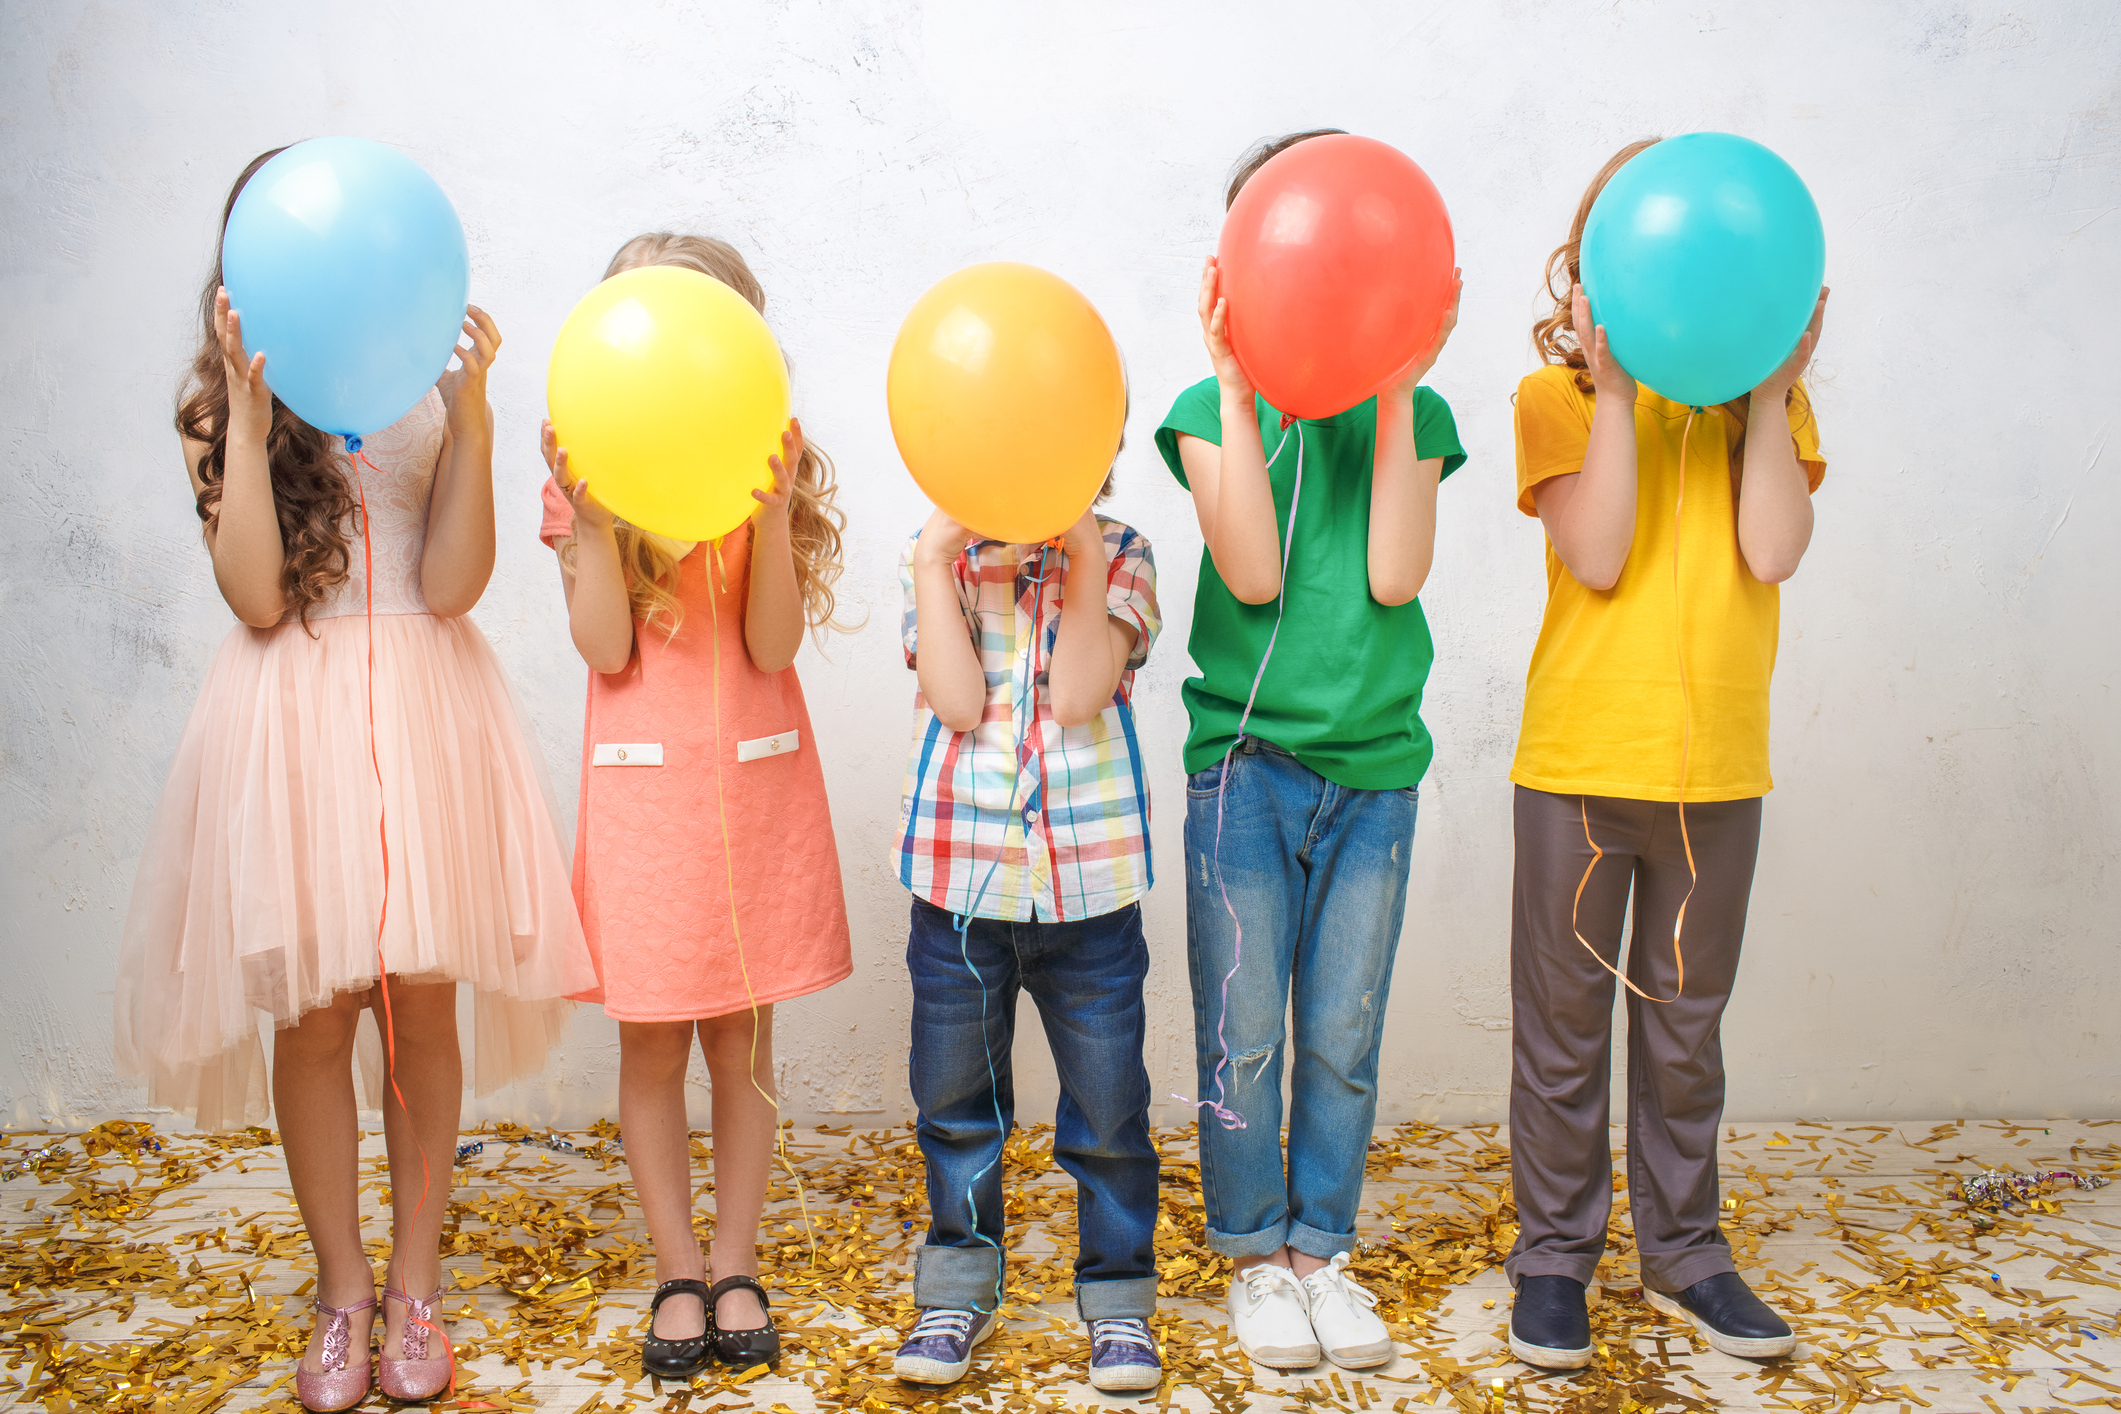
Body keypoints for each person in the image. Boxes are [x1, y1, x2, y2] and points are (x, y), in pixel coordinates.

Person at [115, 149, 597, 1411]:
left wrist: (478, 418)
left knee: (421, 1011)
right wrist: (254, 413)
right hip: (296, 716)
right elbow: (258, 599)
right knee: (314, 1019)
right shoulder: (219, 410)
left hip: (426, 708)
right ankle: (342, 1290)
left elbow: (451, 586)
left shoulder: (417, 383)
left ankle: (417, 1283)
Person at [1503, 138, 1827, 1369]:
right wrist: (1625, 392)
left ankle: (1687, 1252)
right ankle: (1555, 1259)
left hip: (1717, 777)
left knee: (1688, 1031)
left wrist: (1764, 393)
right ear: (1592, 277)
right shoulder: (1558, 403)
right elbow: (1596, 553)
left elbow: (1773, 550)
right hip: (1581, 767)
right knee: (1565, 1028)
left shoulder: (1772, 407)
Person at [1153, 129, 1464, 1372]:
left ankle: (1319, 1252)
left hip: (1373, 774)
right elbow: (1255, 572)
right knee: (1246, 1035)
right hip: (1244, 771)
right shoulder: (1200, 414)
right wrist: (1235, 383)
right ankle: (1251, 1257)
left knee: (1340, 1030)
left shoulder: (1421, 413)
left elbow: (1394, 573)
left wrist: (1395, 381)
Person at [540, 232, 855, 1380]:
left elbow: (771, 642)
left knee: (744, 1044)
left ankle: (735, 1260)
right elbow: (606, 649)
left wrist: (768, 516)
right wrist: (587, 521)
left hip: (754, 790)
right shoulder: (587, 478)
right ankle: (675, 1264)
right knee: (654, 1043)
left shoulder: (765, 468)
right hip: (645, 809)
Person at [887, 461, 1164, 1393]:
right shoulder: (942, 560)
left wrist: (1079, 542)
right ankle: (957, 1287)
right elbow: (959, 706)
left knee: (1109, 1111)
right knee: (956, 1109)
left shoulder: (1122, 552)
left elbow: (1080, 695)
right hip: (960, 887)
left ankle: (1120, 1299)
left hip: (1088, 893)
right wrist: (935, 555)